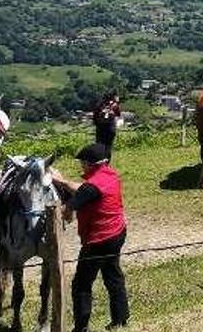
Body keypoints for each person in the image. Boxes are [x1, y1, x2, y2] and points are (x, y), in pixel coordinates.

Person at [50, 143, 129, 332]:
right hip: (117, 232)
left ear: (89, 163)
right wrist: (62, 181)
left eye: (83, 163)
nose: (81, 166)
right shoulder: (110, 176)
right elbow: (83, 189)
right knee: (113, 275)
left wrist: (66, 211)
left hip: (98, 240)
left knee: (81, 284)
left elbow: (69, 207)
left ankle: (81, 327)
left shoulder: (90, 188)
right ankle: (121, 317)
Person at [93, 92, 121, 159]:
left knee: (99, 145)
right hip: (110, 129)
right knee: (108, 146)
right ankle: (107, 161)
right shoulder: (115, 105)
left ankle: (99, 159)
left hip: (100, 128)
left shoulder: (99, 105)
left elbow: (95, 117)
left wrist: (98, 124)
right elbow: (118, 115)